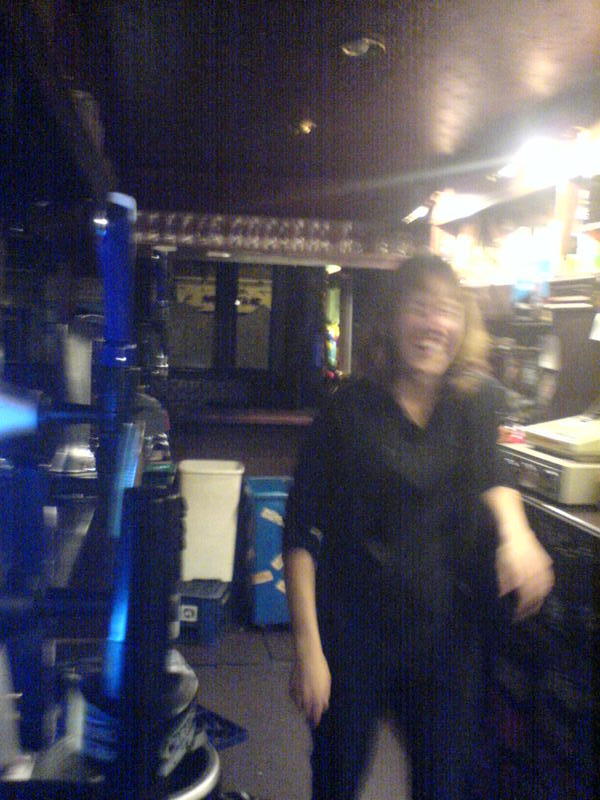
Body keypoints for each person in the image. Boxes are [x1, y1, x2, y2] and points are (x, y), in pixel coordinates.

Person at [282, 254, 554, 800]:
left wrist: (518, 533)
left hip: (445, 639)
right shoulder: (347, 411)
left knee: (445, 785)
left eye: (448, 310)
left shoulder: (474, 402)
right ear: (391, 318)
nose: (435, 323)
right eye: (421, 307)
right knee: (336, 780)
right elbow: (300, 532)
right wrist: (308, 651)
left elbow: (493, 475)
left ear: (463, 323)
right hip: (353, 636)